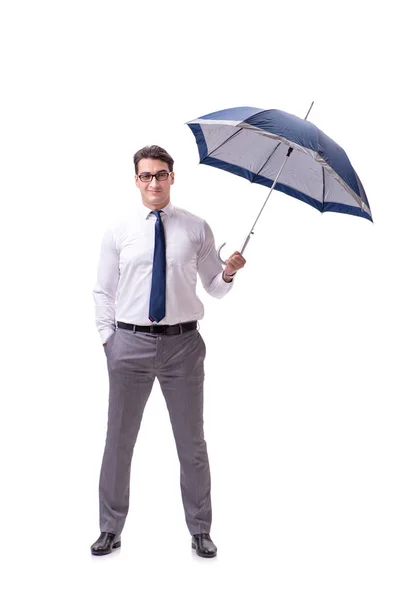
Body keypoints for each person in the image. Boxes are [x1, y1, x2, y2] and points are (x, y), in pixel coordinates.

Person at [91, 145, 246, 558]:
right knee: (119, 440)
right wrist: (110, 340)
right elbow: (104, 290)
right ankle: (110, 528)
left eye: (161, 174)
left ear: (173, 178)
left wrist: (228, 271)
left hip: (183, 346)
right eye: (146, 176)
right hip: (129, 345)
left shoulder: (196, 228)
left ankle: (200, 530)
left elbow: (214, 286)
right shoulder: (119, 229)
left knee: (191, 442)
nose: (154, 182)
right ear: (136, 180)